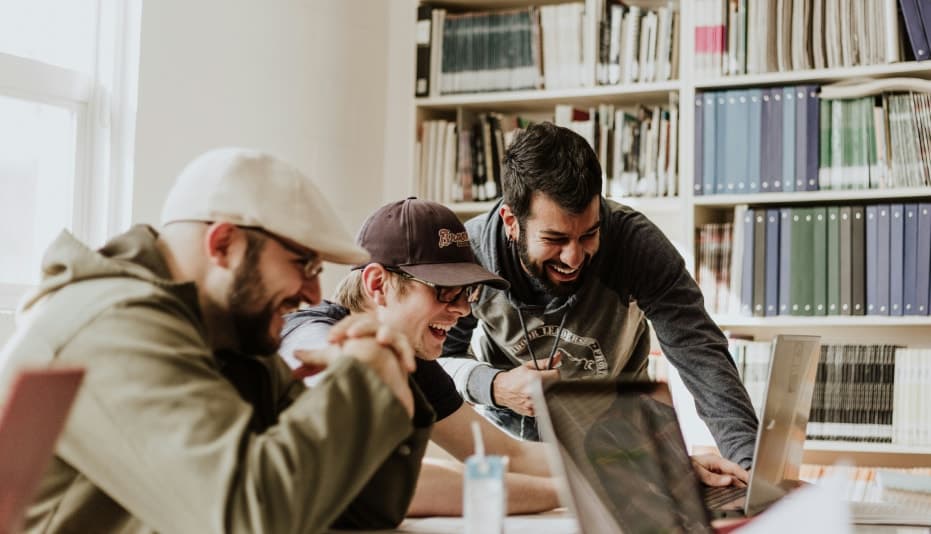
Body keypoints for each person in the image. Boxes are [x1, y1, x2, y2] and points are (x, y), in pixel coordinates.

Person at [0, 148, 432, 533]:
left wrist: (388, 377)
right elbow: (249, 518)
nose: (314, 295)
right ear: (223, 243)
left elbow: (364, 511)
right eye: (304, 264)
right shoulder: (114, 326)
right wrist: (360, 380)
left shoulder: (228, 336)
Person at [279, 198, 749, 517]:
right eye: (445, 291)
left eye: (467, 293)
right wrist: (600, 490)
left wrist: (652, 467)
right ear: (378, 284)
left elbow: (504, 453)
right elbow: (390, 480)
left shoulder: (414, 361)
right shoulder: (315, 337)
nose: (463, 309)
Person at [439, 122, 760, 469]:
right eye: (555, 239)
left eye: (589, 234)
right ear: (511, 221)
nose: (573, 258)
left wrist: (749, 467)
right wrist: (495, 386)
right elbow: (438, 361)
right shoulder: (470, 256)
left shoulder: (636, 245)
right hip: (513, 452)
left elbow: (701, 355)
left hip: (622, 447)